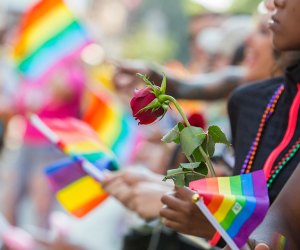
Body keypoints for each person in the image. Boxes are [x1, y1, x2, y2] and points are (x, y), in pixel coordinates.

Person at [160, 0, 300, 245]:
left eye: (259, 31)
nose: (273, 3)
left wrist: (220, 226)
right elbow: (277, 224)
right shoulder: (247, 102)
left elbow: (281, 230)